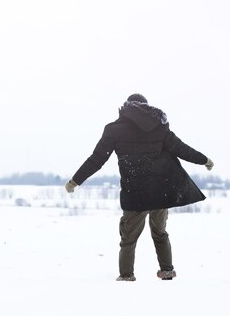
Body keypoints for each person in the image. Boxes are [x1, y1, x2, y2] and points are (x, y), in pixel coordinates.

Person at [65, 93, 213, 281]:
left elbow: (97, 159)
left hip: (135, 192)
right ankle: (167, 271)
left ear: (126, 107)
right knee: (160, 232)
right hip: (162, 190)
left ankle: (126, 276)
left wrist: (75, 181)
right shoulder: (159, 127)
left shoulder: (114, 129)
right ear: (146, 108)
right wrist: (204, 160)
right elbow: (181, 149)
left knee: (128, 239)